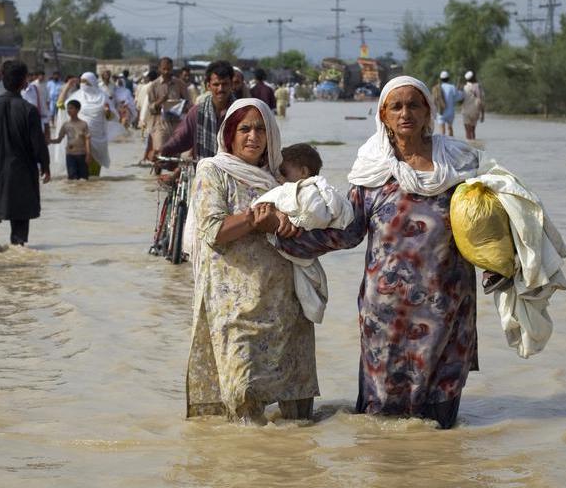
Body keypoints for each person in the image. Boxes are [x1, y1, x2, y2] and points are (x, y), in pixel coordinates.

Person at [272, 76, 482, 429]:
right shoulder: (373, 170)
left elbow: (480, 226)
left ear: (428, 111)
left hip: (447, 307)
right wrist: (283, 238)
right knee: (381, 421)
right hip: (387, 313)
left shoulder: (456, 165)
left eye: (414, 105)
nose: (405, 113)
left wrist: (507, 266)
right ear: (383, 115)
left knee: (440, 419)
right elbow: (347, 231)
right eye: (396, 106)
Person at [186, 97, 319, 424]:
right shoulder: (213, 171)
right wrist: (252, 219)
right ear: (229, 134)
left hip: (284, 304)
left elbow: (314, 223)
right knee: (243, 396)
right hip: (235, 307)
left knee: (296, 414)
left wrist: (289, 222)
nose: (253, 136)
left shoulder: (279, 176)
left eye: (261, 129)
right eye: (244, 128)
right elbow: (212, 230)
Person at [253, 143, 354, 324]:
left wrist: (294, 221)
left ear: (303, 172)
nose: (279, 178)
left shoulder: (309, 192)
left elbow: (315, 214)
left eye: (284, 172)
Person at [0, 60, 50, 247]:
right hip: (21, 173)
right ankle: (17, 266)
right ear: (24, 83)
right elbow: (38, 145)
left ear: (2, 79)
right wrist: (46, 166)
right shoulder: (29, 111)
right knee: (20, 224)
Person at [157, 60, 234, 160]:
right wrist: (163, 150)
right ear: (208, 86)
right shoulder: (197, 112)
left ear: (231, 85)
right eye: (216, 84)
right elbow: (181, 137)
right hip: (204, 170)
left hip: (233, 170)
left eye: (225, 84)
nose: (220, 89)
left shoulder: (241, 111)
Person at [68, 71, 114, 176]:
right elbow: (62, 107)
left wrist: (107, 112)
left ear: (93, 82)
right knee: (80, 174)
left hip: (98, 139)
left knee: (94, 176)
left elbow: (111, 117)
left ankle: (93, 190)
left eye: (86, 82)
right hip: (80, 139)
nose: (83, 85)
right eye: (82, 82)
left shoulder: (103, 97)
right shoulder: (76, 97)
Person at [145, 57, 188, 159]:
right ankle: (157, 169)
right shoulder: (153, 86)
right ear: (159, 69)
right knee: (160, 151)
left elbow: (188, 102)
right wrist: (160, 102)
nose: (166, 71)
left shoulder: (180, 84)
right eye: (164, 69)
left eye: (169, 69)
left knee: (176, 154)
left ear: (172, 68)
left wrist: (181, 105)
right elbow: (150, 108)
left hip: (176, 122)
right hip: (160, 123)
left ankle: (173, 173)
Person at [51, 99, 91, 180]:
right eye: (68, 108)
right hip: (70, 155)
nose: (69, 110)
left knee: (84, 179)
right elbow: (59, 140)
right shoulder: (66, 125)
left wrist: (88, 154)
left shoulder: (83, 124)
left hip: (82, 155)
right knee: (72, 179)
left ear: (77, 110)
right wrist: (49, 141)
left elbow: (87, 140)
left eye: (71, 108)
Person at [435, 70, 463, 137]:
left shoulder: (438, 88)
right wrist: (459, 91)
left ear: (441, 79)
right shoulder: (452, 87)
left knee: (442, 131)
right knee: (450, 128)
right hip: (450, 112)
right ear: (448, 78)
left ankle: (443, 145)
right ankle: (451, 143)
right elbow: (458, 97)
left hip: (441, 111)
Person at [461, 70, 485, 140]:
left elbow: (460, 100)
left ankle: (469, 149)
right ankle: (474, 148)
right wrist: (483, 114)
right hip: (476, 112)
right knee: (473, 131)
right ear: (474, 77)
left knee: (468, 133)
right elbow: (482, 101)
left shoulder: (464, 88)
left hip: (466, 112)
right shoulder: (479, 87)